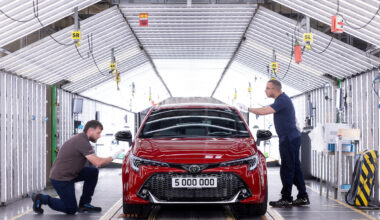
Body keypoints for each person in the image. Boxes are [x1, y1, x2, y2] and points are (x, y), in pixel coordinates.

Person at [31, 120, 123, 214]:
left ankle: (84, 204)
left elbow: (96, 160)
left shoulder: (82, 139)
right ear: (90, 131)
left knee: (92, 172)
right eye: (98, 133)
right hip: (61, 178)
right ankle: (41, 198)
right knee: (70, 209)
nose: (99, 136)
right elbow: (98, 162)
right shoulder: (82, 141)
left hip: (71, 173)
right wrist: (113, 157)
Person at [249, 79, 309, 208]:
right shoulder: (282, 100)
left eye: (267, 88)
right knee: (295, 168)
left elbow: (263, 111)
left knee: (287, 168)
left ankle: (286, 198)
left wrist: (247, 109)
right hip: (291, 138)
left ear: (274, 89)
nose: (265, 90)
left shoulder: (282, 100)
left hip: (288, 139)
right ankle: (303, 196)